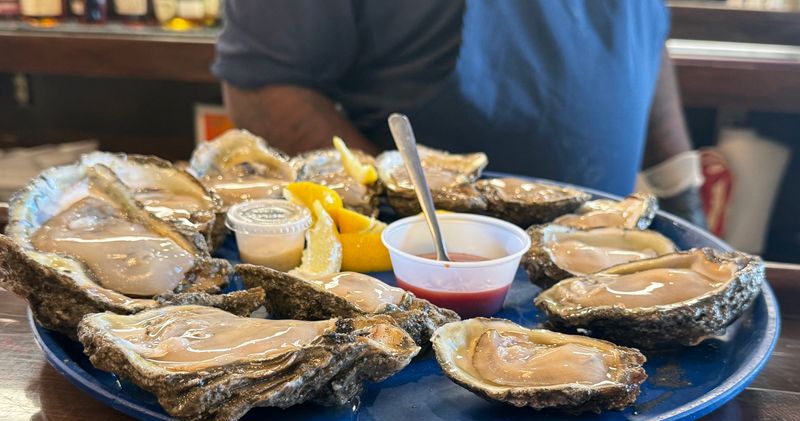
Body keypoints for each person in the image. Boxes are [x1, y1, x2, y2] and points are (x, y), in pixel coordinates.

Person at [213, 0, 707, 226]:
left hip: (606, 245)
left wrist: (680, 190)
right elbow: (264, 85)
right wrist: (395, 227)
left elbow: (639, 34)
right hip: (419, 268)